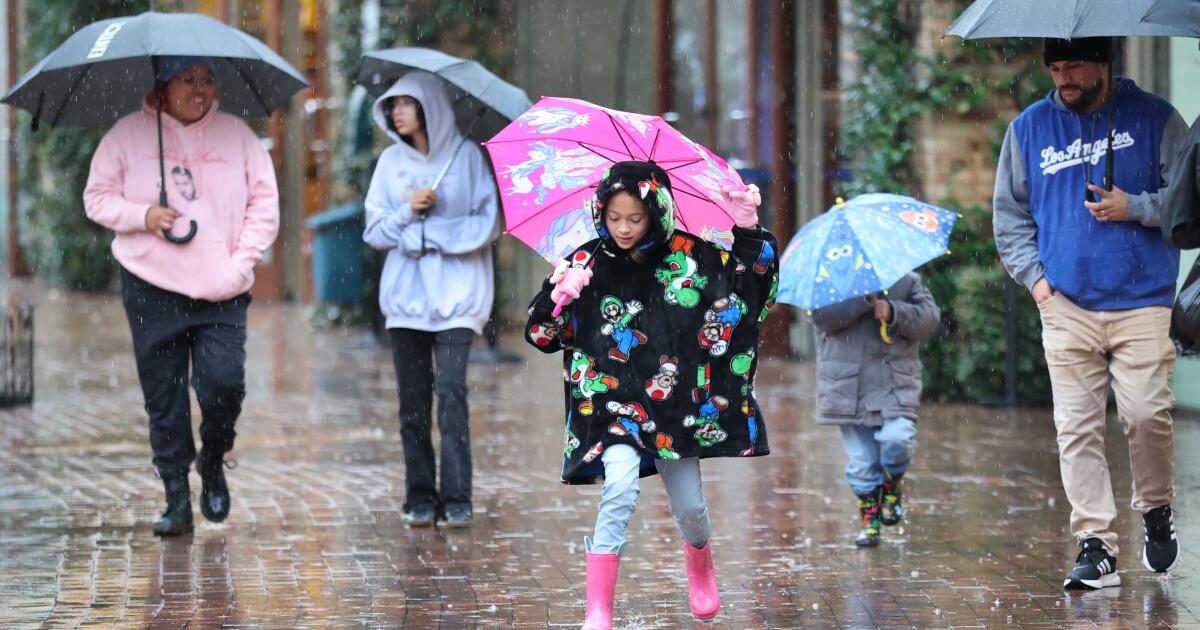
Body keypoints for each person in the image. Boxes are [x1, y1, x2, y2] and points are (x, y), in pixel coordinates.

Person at [524, 161, 778, 628]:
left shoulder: (692, 255)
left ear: (657, 213)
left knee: (690, 507)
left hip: (674, 408)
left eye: (635, 219)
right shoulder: (586, 261)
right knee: (618, 488)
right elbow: (542, 335)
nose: (622, 228)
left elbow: (752, 293)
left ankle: (700, 561)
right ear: (600, 211)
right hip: (611, 404)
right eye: (613, 217)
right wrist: (557, 296)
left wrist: (748, 228)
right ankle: (597, 608)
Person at [993, 37, 1187, 589]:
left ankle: (1154, 508)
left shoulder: (1156, 118)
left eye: (1074, 66)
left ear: (1104, 62)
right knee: (1075, 429)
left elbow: (1187, 201)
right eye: (1055, 68)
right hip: (1067, 306)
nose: (1063, 78)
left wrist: (1136, 207)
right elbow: (1009, 215)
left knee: (1146, 415)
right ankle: (1096, 545)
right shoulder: (1028, 129)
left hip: (1144, 301)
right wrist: (1038, 284)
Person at [83, 56, 280, 536]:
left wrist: (241, 263)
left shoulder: (239, 137)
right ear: (162, 85)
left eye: (207, 81)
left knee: (223, 385)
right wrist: (141, 215)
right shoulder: (127, 135)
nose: (200, 90)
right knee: (164, 397)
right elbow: (96, 197)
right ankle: (175, 494)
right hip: (151, 284)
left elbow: (265, 204)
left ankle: (212, 459)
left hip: (223, 288)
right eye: (188, 81)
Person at [363, 72, 499, 528]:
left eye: (406, 103)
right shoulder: (388, 164)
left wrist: (431, 233)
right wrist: (408, 212)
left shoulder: (467, 159)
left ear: (430, 107)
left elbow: (488, 225)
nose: (396, 112)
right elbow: (375, 232)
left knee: (451, 393)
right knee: (413, 403)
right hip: (405, 301)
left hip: (459, 298)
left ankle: (457, 496)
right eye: (392, 105)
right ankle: (420, 496)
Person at [807, 275, 939, 548]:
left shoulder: (906, 280)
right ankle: (869, 519)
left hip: (894, 381)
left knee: (899, 438)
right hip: (848, 386)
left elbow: (929, 319)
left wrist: (894, 311)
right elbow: (822, 318)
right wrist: (862, 301)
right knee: (863, 461)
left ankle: (892, 483)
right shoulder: (829, 281)